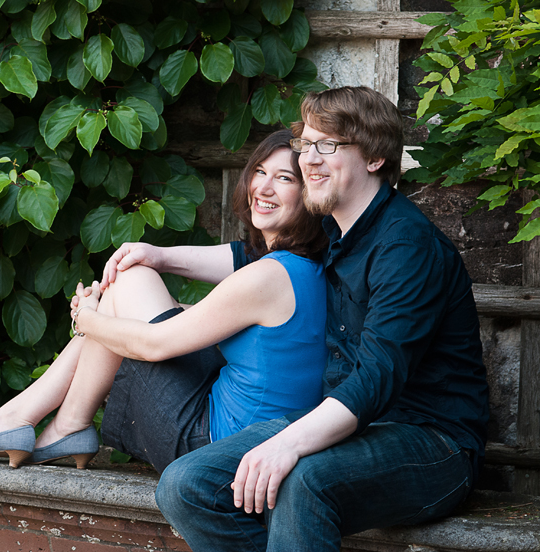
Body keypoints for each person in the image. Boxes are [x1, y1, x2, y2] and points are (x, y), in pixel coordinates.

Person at [151, 86, 490, 551]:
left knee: (301, 477)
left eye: (328, 145)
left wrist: (289, 443)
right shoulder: (331, 224)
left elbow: (379, 375)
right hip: (352, 426)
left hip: (433, 444)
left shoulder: (405, 246)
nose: (309, 159)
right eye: (306, 144)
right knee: (187, 483)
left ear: (373, 158)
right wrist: (158, 255)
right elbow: (248, 255)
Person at [0, 130, 329, 472]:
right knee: (127, 285)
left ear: (309, 194)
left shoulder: (268, 276)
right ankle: (54, 423)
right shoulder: (301, 268)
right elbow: (222, 323)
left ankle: (44, 421)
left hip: (214, 449)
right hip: (244, 438)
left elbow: (154, 344)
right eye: (260, 171)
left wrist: (88, 319)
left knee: (125, 287)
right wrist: (110, 310)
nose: (263, 187)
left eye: (284, 178)